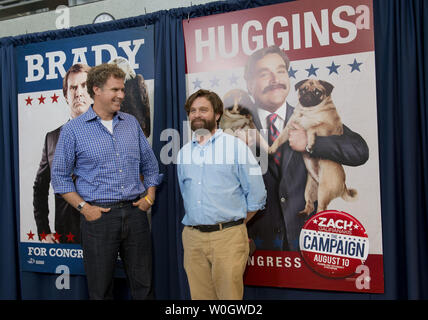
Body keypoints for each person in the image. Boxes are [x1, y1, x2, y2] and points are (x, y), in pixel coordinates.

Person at [51, 63, 161, 300]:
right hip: (99, 220)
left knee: (145, 289)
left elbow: (151, 168)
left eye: (122, 89)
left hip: (135, 216)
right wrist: (85, 208)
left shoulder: (130, 123)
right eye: (115, 90)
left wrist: (149, 198)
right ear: (97, 89)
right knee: (100, 292)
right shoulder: (73, 131)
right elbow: (59, 178)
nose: (121, 95)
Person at [243, 46, 369, 251]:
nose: (275, 79)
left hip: (307, 246)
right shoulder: (236, 128)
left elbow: (359, 150)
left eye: (281, 71)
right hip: (255, 250)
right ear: (249, 84)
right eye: (264, 74)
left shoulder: (312, 115)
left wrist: (314, 144)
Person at [177, 89, 266, 300]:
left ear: (217, 115)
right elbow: (185, 194)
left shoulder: (236, 147)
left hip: (228, 238)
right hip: (192, 239)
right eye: (193, 110)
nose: (197, 115)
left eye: (203, 110)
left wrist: (234, 225)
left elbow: (258, 194)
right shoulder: (183, 153)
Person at [33, 63, 92, 244]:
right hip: (66, 238)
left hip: (103, 234)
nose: (78, 92)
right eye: (73, 87)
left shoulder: (111, 132)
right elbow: (40, 188)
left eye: (84, 86)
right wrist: (44, 232)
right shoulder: (51, 138)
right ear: (66, 96)